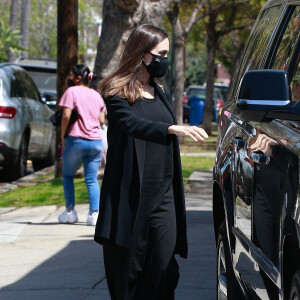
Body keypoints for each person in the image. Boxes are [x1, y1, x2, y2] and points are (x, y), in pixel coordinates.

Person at [94, 24, 208, 300]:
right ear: (142, 53)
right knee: (128, 278)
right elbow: (132, 124)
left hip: (163, 197)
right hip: (130, 199)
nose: (165, 60)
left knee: (165, 270)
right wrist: (171, 129)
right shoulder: (116, 92)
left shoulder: (160, 92)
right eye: (162, 53)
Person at [58, 64, 106, 226]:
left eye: (71, 75)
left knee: (67, 175)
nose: (69, 77)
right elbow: (101, 120)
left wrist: (63, 136)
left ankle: (70, 212)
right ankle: (94, 214)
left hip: (76, 140)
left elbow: (65, 116)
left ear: (78, 78)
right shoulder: (96, 95)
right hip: (95, 142)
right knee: (92, 178)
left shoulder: (71, 92)